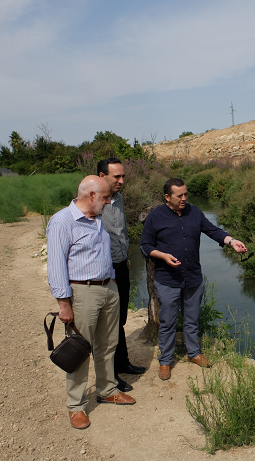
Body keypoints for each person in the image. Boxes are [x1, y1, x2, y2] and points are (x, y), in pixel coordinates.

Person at [47, 176, 136, 430]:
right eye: (106, 197)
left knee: (108, 342)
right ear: (92, 196)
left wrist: (113, 284)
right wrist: (64, 303)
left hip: (108, 288)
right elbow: (55, 267)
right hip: (82, 292)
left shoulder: (98, 219)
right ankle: (76, 405)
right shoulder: (62, 221)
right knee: (80, 348)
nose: (109, 202)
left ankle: (107, 389)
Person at [140, 178, 247, 380]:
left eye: (185, 194)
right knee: (168, 322)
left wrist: (231, 241)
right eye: (179, 195)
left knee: (192, 319)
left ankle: (193, 353)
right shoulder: (156, 216)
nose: (184, 198)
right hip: (167, 279)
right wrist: (162, 255)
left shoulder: (194, 212)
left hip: (193, 277)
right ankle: (165, 360)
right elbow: (145, 245)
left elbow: (213, 231)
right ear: (167, 197)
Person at [98, 157, 146, 393]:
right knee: (108, 323)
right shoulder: (94, 202)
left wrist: (125, 259)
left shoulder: (119, 200)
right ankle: (111, 376)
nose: (121, 180)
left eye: (123, 176)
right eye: (116, 176)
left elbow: (120, 232)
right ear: (101, 176)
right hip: (105, 271)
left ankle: (122, 362)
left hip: (121, 265)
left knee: (121, 319)